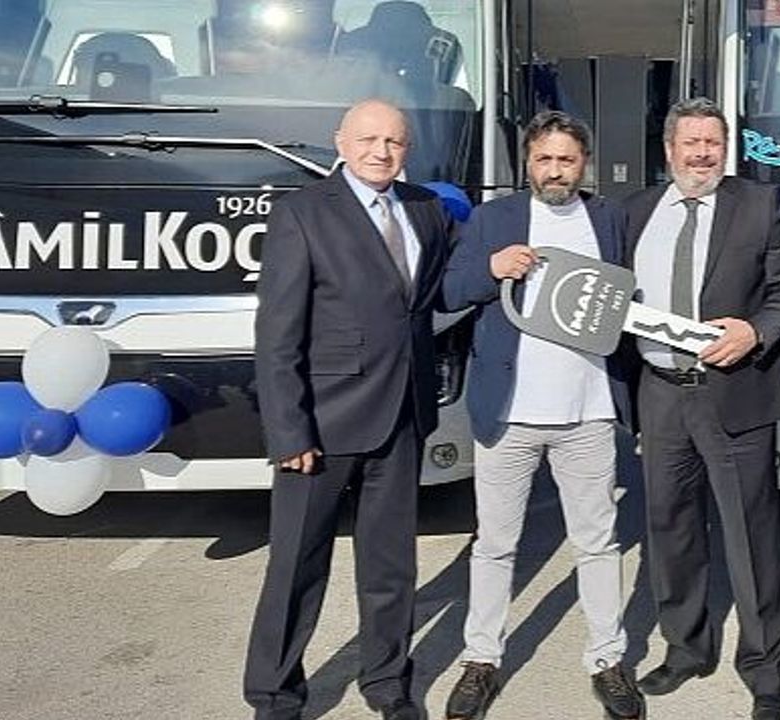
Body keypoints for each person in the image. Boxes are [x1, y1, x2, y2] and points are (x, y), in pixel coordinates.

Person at [244, 99, 451, 720]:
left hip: (402, 415)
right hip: (322, 425)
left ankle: (388, 684)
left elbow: (440, 291)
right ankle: (275, 694)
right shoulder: (302, 213)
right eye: (368, 139)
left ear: (407, 148)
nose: (381, 152)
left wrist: (500, 263)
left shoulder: (426, 208)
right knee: (296, 567)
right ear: (340, 142)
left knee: (391, 568)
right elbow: (277, 335)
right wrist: (288, 431)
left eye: (394, 141)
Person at [438, 110, 644, 720]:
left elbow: (629, 296)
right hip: (509, 414)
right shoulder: (494, 218)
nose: (555, 171)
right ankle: (481, 660)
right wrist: (491, 269)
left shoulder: (609, 218)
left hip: (589, 414)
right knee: (494, 546)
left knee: (598, 544)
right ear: (527, 163)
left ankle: (607, 660)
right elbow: (449, 292)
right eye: (544, 159)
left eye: (567, 160)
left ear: (586, 164)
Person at [625, 97, 780, 720]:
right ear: (668, 149)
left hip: (734, 390)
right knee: (669, 527)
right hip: (660, 393)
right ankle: (686, 647)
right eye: (691, 143)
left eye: (713, 143)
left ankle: (765, 667)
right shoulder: (636, 210)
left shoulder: (759, 203)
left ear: (725, 148)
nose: (702, 154)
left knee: (750, 534)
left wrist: (756, 331)